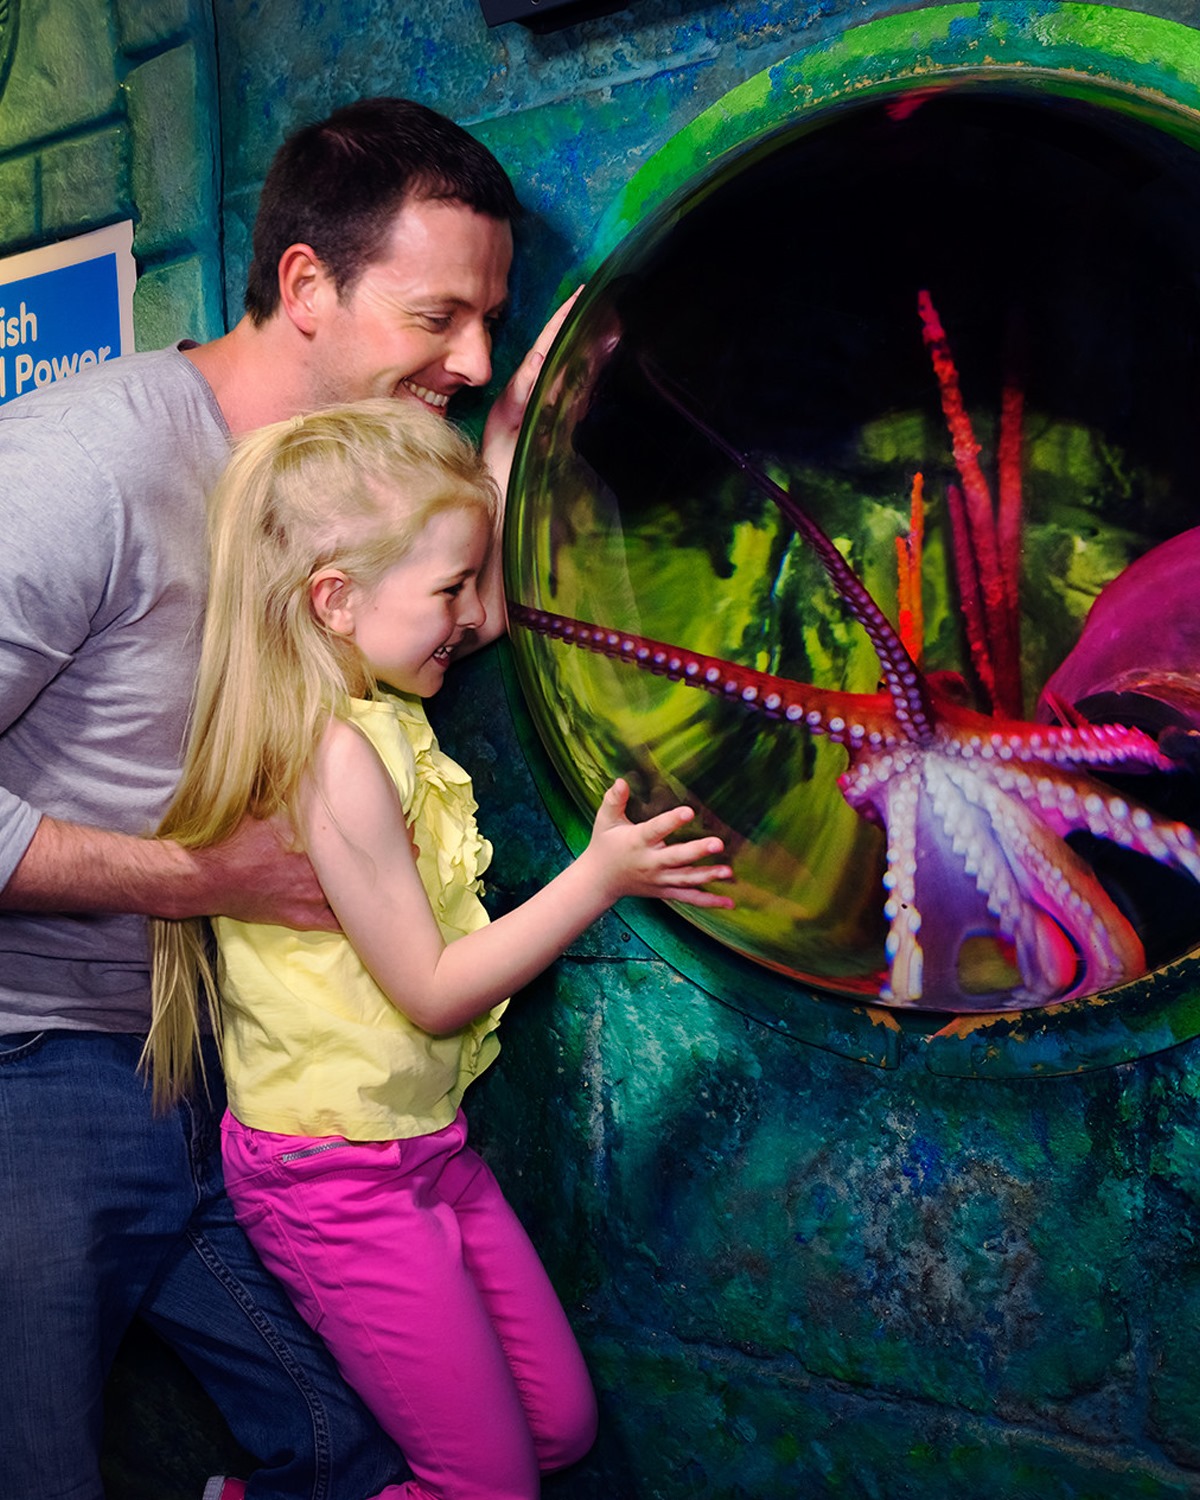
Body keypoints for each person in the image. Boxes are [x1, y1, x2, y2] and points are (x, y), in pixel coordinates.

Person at [0, 97, 567, 1500]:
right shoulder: (82, 465)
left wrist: (512, 432)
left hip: (237, 1071)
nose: (472, 358)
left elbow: (448, 604)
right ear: (307, 285)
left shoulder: (348, 482)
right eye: (438, 318)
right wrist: (202, 878)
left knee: (371, 1453)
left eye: (490, 324)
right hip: (36, 1062)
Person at [144, 398, 734, 1500]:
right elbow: (430, 991)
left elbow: (483, 596)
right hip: (334, 1173)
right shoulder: (332, 757)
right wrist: (600, 877)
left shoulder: (376, 687)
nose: (474, 615)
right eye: (450, 591)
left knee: (558, 1432)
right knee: (491, 1487)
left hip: (422, 1145)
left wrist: (513, 424)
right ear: (335, 600)